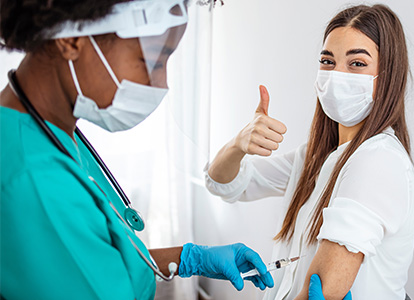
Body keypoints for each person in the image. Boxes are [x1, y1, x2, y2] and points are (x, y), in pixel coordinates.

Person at [0, 1, 278, 299]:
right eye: (154, 62)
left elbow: (91, 264)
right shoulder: (34, 179)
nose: (161, 83)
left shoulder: (45, 129)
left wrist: (188, 258)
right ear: (71, 40)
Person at [205, 4, 414, 300]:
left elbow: (324, 289)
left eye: (357, 64)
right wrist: (237, 145)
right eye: (327, 61)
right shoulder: (317, 156)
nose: (337, 75)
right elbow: (224, 184)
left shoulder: (378, 161)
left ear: (387, 76)